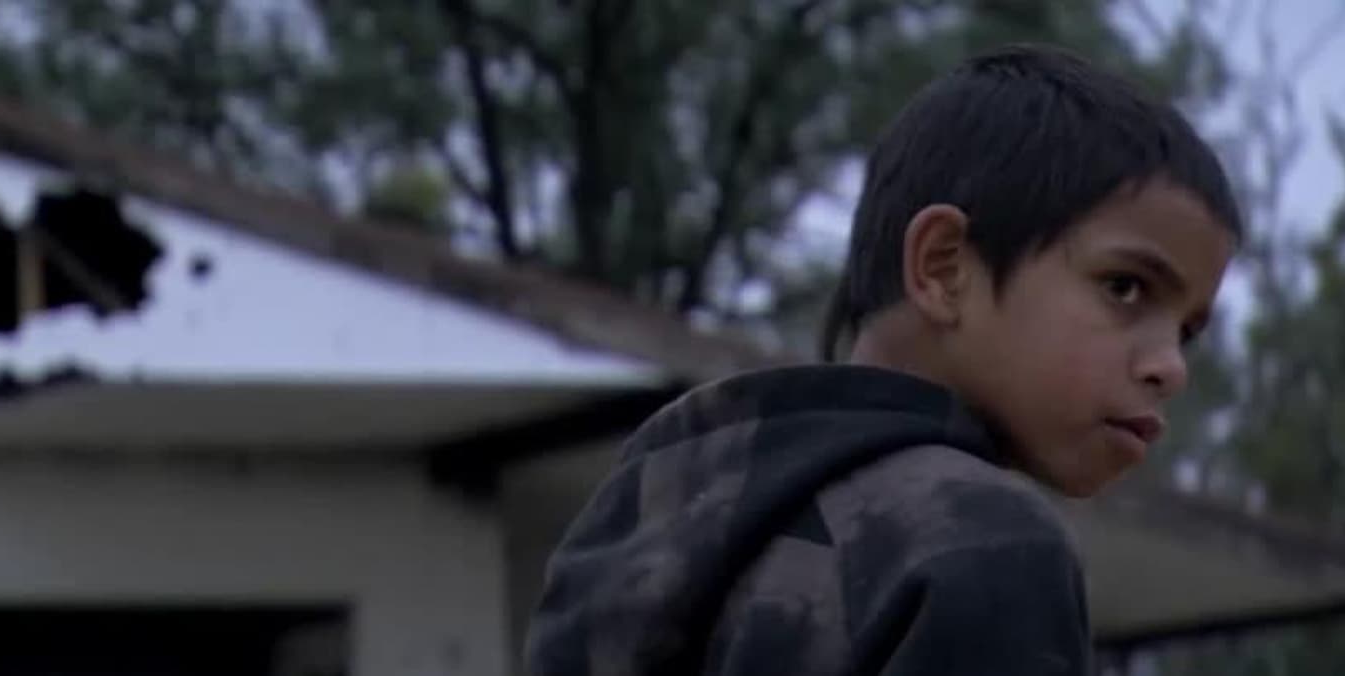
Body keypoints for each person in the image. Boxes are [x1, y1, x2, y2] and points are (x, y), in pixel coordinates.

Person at [525, 43, 1240, 676]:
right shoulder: (982, 540)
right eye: (1125, 288)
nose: (1170, 367)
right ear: (943, 267)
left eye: (1187, 331)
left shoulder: (652, 514)